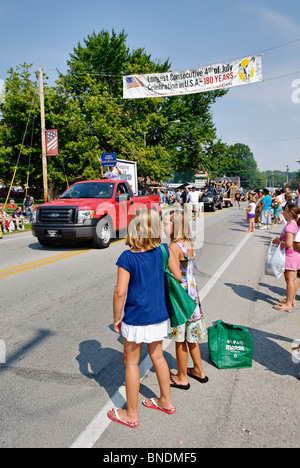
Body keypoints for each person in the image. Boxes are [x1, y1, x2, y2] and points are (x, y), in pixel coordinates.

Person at [108, 209, 181, 428]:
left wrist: (116, 318)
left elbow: (120, 292)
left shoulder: (127, 257)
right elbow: (177, 276)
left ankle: (131, 413)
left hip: (136, 317)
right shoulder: (163, 251)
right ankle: (165, 401)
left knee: (131, 363)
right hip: (159, 315)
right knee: (157, 356)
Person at [163, 209, 208, 390]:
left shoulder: (173, 247)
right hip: (192, 293)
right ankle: (198, 369)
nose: (163, 227)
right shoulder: (187, 243)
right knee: (192, 336)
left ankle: (182, 376)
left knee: (180, 338)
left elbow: (176, 275)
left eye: (166, 224)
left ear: (176, 226)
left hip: (180, 295)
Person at [272, 203, 300, 312]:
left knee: (289, 280)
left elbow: (288, 243)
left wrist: (278, 241)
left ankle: (288, 304)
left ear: (289, 213)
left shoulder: (290, 226)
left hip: (290, 255)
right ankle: (291, 299)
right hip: (295, 255)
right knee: (293, 279)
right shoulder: (295, 224)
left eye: (285, 210)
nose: (283, 212)